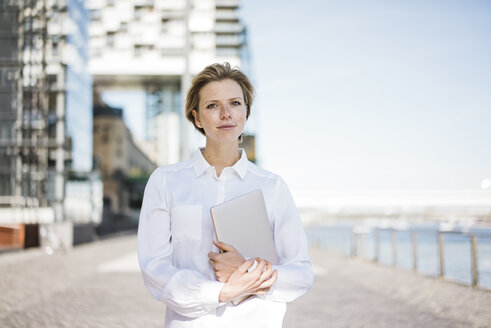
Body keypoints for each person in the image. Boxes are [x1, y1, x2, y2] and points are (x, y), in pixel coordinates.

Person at [137, 62, 313, 328]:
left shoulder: (273, 187)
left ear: (246, 111)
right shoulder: (165, 182)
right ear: (196, 118)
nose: (226, 114)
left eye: (235, 103)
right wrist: (222, 292)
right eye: (212, 106)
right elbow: (155, 269)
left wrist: (246, 269)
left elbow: (300, 273)